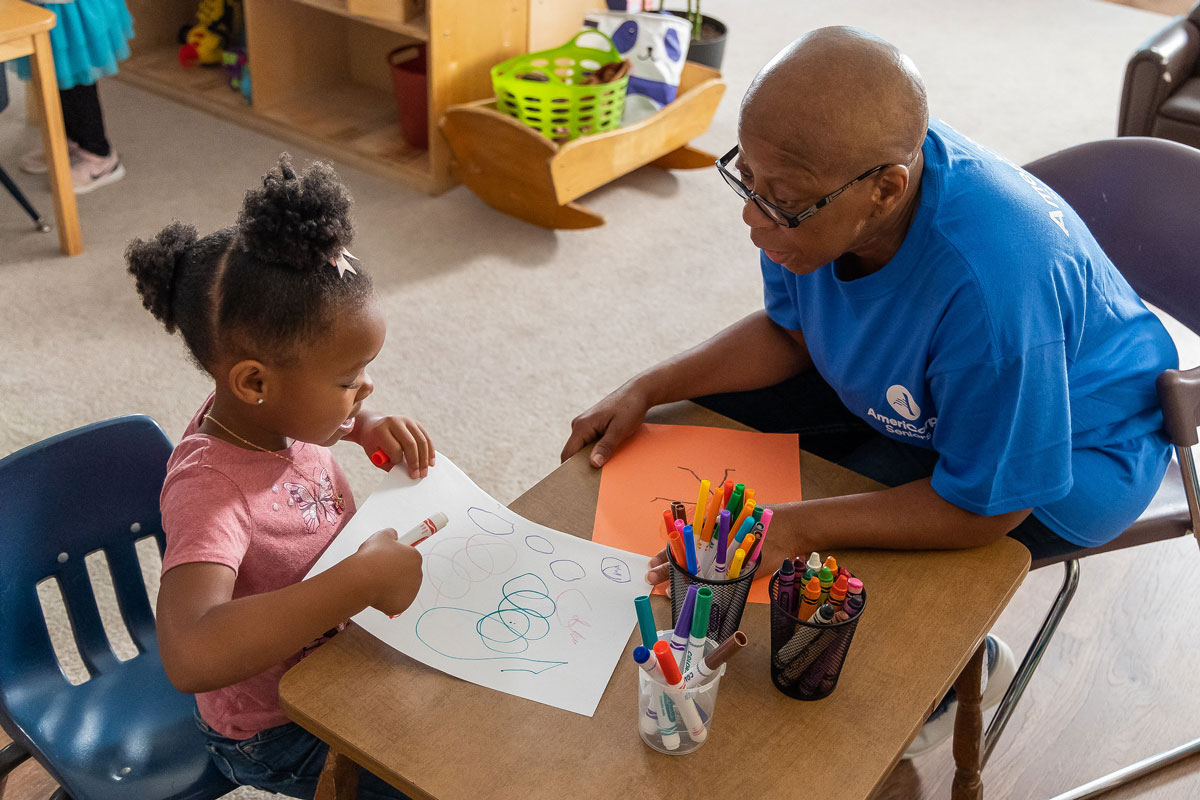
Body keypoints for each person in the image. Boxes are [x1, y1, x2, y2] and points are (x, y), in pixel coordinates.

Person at [561, 27, 1178, 757]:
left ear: (887, 189)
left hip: (1066, 454)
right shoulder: (826, 180)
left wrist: (801, 525)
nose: (752, 219)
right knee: (691, 424)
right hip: (934, 394)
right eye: (746, 180)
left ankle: (949, 677)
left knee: (823, 592)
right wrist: (649, 383)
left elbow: (989, 506)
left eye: (780, 202)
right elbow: (792, 333)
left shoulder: (994, 295)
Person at [127, 155, 433, 798]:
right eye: (349, 380)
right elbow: (191, 652)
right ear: (254, 382)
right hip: (275, 729)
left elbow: (308, 414)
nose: (365, 386)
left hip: (337, 655)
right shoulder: (210, 489)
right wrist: (358, 581)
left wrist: (362, 419)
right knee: (438, 771)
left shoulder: (269, 414)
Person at [14, 0, 132, 192]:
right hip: (45, 7)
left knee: (76, 81)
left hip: (69, 9)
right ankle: (69, 143)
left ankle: (100, 158)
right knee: (52, 79)